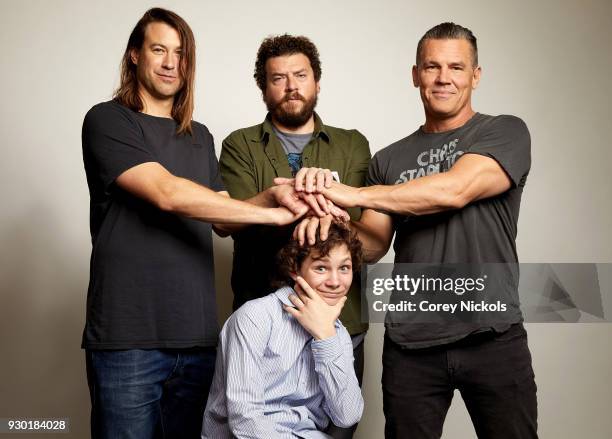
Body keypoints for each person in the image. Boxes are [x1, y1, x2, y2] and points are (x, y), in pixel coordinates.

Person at [288, 22, 538, 439]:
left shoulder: (504, 131)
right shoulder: (389, 159)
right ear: (415, 75)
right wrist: (328, 212)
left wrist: (351, 191)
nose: (444, 78)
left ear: (475, 75)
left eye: (456, 67)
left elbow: (455, 190)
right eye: (432, 67)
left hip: (492, 334)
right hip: (411, 344)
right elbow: (371, 247)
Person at [81, 8, 304, 439]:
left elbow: (221, 215)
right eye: (159, 49)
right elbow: (167, 193)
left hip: (198, 340)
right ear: (134, 56)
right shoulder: (108, 120)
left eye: (180, 53)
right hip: (128, 340)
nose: (170, 63)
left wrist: (271, 197)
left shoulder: (198, 135)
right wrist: (269, 213)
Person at [218, 34, 371, 437]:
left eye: (300, 75)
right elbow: (230, 218)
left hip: (343, 320)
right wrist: (282, 197)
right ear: (263, 87)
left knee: (340, 421)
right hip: (266, 321)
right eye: (278, 78)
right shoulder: (240, 145)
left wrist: (300, 205)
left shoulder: (352, 144)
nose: (291, 86)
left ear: (317, 81)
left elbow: (357, 229)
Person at [202, 222, 364, 438]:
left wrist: (325, 336)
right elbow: (245, 421)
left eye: (344, 268)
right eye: (321, 268)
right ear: (295, 270)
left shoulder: (336, 334)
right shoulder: (255, 317)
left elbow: (348, 415)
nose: (335, 282)